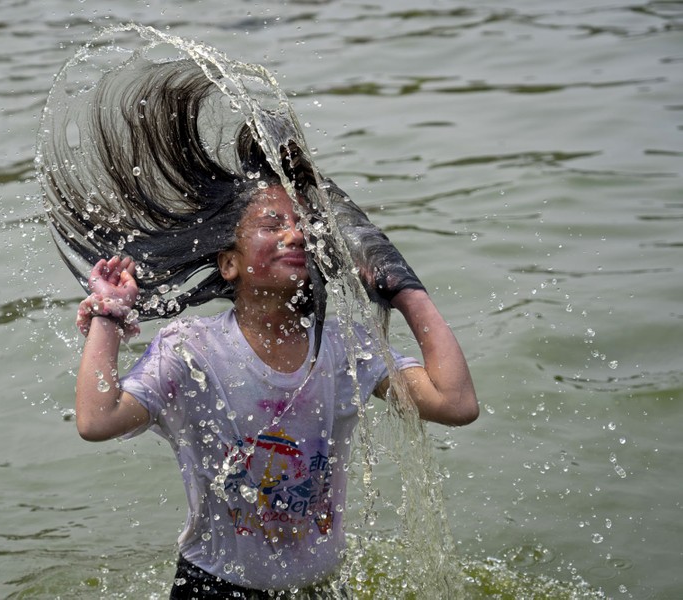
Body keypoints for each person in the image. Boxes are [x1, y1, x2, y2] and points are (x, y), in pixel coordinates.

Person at [46, 55, 478, 599]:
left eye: (301, 225)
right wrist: (108, 318)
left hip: (320, 589)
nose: (294, 235)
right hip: (214, 587)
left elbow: (456, 404)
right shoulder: (191, 352)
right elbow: (96, 419)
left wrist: (404, 286)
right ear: (229, 263)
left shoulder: (344, 347)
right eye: (273, 224)